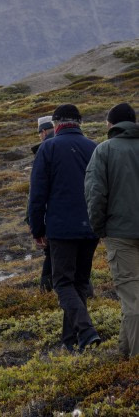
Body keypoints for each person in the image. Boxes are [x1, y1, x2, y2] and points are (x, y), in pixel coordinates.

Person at [29, 103, 101, 352]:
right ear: (79, 122)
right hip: (92, 226)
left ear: (56, 124)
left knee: (62, 283)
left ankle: (87, 330)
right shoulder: (95, 147)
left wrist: (37, 229)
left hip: (61, 229)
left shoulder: (48, 148)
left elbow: (37, 194)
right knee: (80, 282)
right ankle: (71, 341)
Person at [85, 102, 139, 357]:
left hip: (120, 234)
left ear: (111, 124)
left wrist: (99, 228)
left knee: (132, 297)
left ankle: (135, 364)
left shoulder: (104, 150)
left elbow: (96, 195)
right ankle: (124, 352)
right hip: (123, 232)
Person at [30, 115, 55, 292]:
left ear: (44, 131)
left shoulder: (44, 151)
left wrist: (36, 227)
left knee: (52, 256)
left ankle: (46, 293)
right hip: (82, 218)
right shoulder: (81, 145)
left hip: (53, 218)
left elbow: (37, 194)